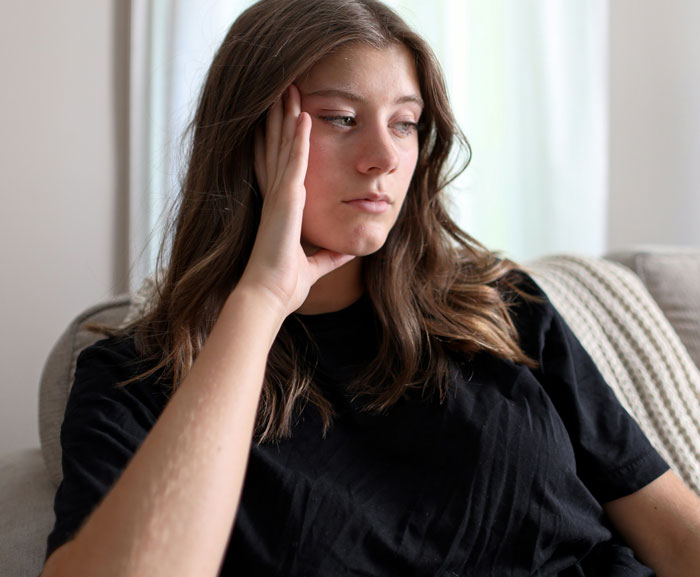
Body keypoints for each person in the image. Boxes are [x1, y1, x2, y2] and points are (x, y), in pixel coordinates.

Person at [42, 0, 700, 575]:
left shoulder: (500, 306)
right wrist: (262, 298)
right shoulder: (135, 381)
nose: (385, 157)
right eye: (341, 118)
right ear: (252, 142)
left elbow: (674, 534)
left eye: (406, 122)